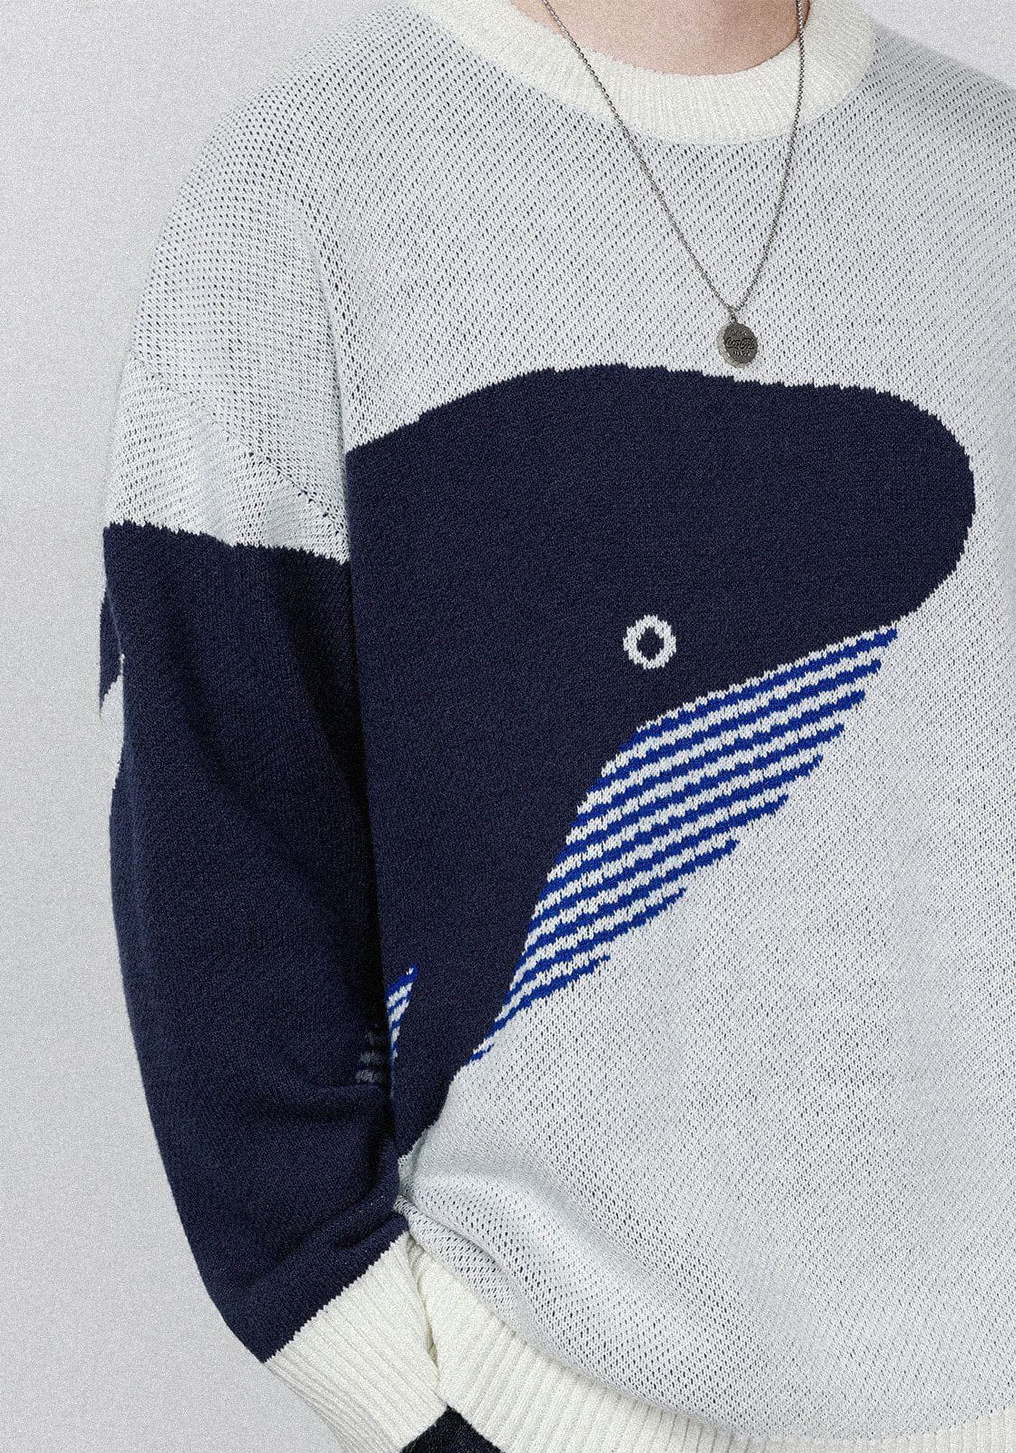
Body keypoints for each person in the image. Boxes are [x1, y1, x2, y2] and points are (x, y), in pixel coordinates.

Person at [96, 0, 1016, 1449]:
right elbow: (224, 853)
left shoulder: (992, 178)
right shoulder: (302, 193)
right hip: (558, 1403)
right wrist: (396, 1376)